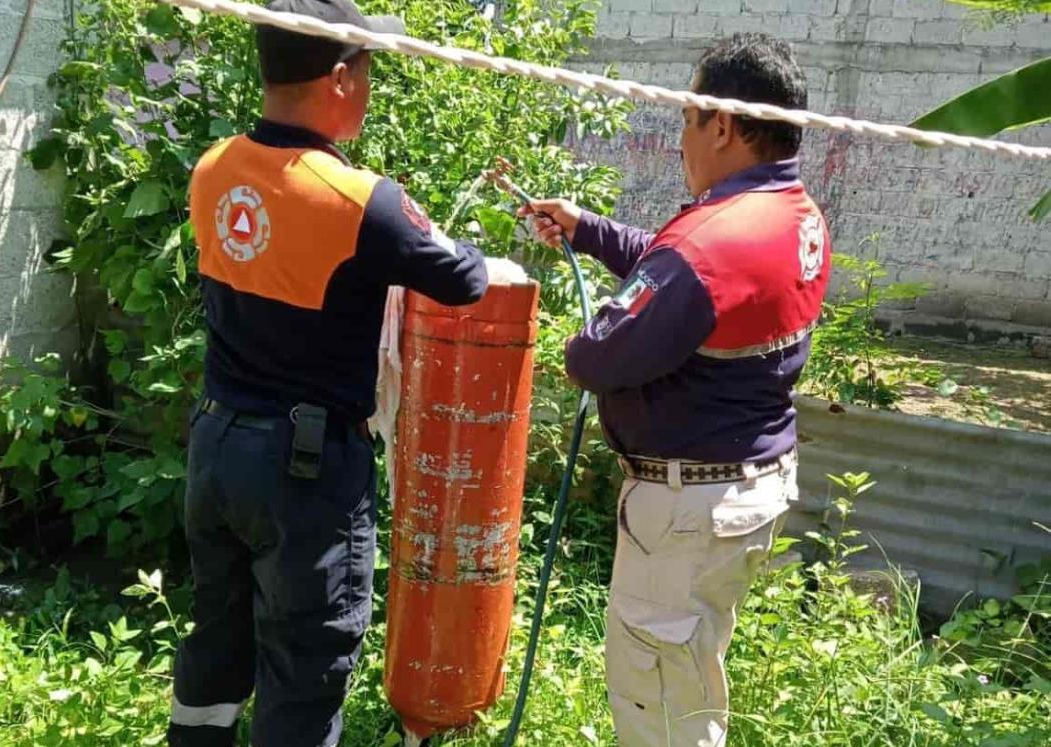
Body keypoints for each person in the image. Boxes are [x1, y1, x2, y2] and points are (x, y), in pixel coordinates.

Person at [167, 1, 488, 745]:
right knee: (306, 667)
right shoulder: (358, 201)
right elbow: (465, 278)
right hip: (302, 475)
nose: (371, 90)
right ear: (340, 78)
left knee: (216, 641)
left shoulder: (214, 169)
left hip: (215, 450)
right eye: (369, 72)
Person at [521, 32, 831, 747]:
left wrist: (580, 338)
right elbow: (683, 277)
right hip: (747, 492)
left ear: (721, 125)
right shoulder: (795, 215)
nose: (680, 139)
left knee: (658, 707)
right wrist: (588, 229)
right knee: (690, 674)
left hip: (688, 512)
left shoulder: (711, 243)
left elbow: (598, 355)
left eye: (687, 118)